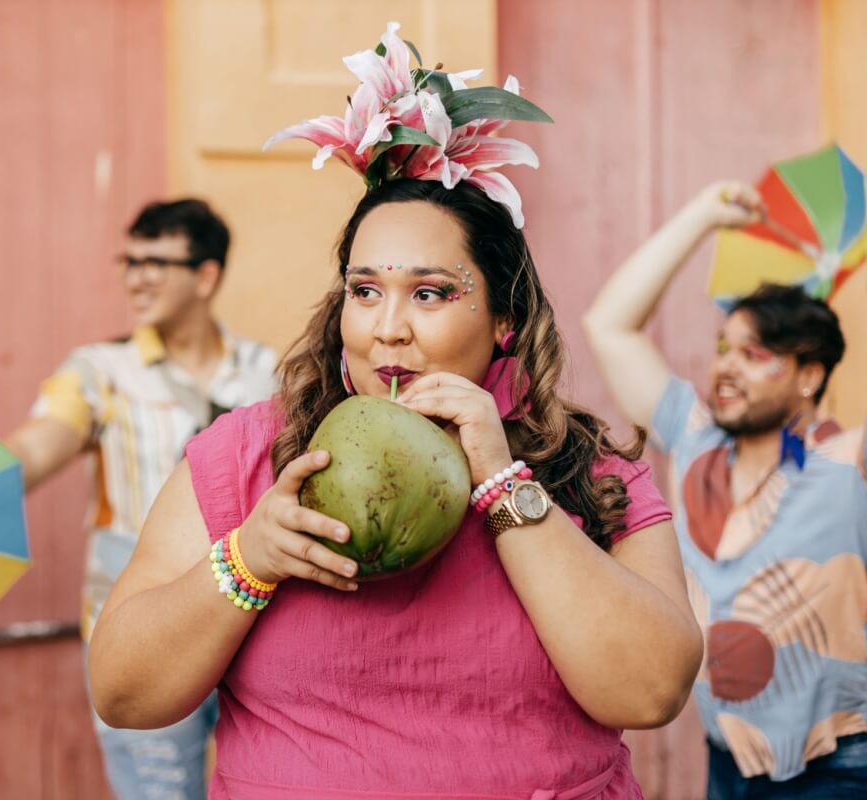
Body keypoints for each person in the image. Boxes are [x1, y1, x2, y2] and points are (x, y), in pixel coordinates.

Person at [87, 24, 702, 798]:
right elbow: (123, 692)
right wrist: (249, 559)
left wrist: (506, 484)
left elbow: (648, 692)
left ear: (505, 317)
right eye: (366, 290)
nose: (389, 327)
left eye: (432, 293)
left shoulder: (590, 470)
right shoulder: (251, 456)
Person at [584, 181, 867, 797]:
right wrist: (702, 216)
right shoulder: (695, 440)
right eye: (722, 348)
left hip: (842, 766)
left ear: (808, 374)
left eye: (755, 353)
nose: (725, 367)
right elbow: (608, 326)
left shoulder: (849, 462)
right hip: (727, 765)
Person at [4, 198, 277, 799]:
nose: (136, 276)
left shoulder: (269, 372)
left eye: (155, 260)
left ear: (205, 276)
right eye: (129, 260)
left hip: (252, 619)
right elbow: (42, 443)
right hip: (144, 630)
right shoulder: (102, 369)